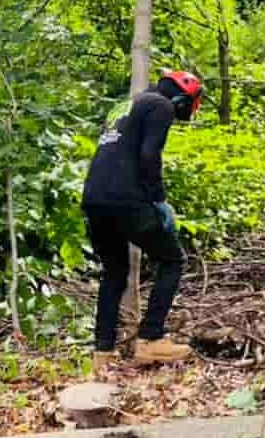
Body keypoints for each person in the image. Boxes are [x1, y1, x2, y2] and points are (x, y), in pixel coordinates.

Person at [82, 70, 204, 367]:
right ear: (182, 97)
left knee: (114, 271)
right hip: (127, 199)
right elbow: (150, 155)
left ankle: (103, 351)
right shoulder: (160, 105)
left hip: (95, 199)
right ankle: (150, 339)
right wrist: (159, 201)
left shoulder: (126, 107)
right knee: (172, 260)